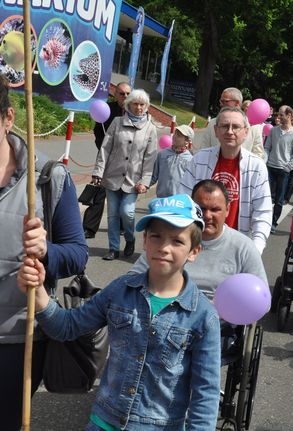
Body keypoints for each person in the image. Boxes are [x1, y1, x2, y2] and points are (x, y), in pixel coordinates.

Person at [18, 193, 220, 430]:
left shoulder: (204, 316)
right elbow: (67, 328)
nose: (164, 247)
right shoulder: (120, 290)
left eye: (177, 241)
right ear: (145, 240)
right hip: (103, 421)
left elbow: (205, 394)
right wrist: (38, 290)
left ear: (193, 251)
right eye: (156, 237)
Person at [0, 75, 87, 431]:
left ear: (8, 118)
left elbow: (78, 254)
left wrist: (46, 251)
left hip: (17, 340)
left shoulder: (48, 178)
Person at [130, 180, 267, 298]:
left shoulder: (244, 247)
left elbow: (261, 296)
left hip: (222, 319)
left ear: (227, 209)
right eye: (201, 209)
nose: (207, 216)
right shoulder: (171, 239)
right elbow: (133, 277)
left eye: (215, 209)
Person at [180, 106, 272, 254]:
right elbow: (183, 200)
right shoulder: (199, 159)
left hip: (238, 247)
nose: (230, 131)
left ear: (246, 132)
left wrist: (255, 250)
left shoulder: (257, 167)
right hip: (199, 244)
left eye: (236, 127)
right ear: (216, 131)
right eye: (224, 126)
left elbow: (263, 213)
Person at [92, 89, 157, 261]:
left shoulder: (150, 129)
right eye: (135, 104)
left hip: (133, 180)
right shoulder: (117, 122)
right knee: (113, 214)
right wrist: (98, 171)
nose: (139, 108)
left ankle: (130, 238)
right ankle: (113, 248)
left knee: (127, 212)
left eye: (142, 104)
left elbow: (150, 158)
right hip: (112, 176)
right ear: (128, 105)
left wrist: (145, 181)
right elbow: (105, 148)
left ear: (147, 106)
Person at [84, 81, 132, 239]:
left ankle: (122, 226)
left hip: (126, 160)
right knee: (98, 192)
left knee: (122, 193)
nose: (125, 96)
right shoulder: (107, 109)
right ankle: (89, 228)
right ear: (115, 94)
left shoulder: (135, 111)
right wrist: (103, 149)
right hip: (106, 157)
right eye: (122, 93)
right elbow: (98, 132)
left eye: (127, 93)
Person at [194, 88, 265, 159]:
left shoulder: (254, 127)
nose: (220, 104)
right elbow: (203, 149)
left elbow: (258, 154)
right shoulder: (213, 123)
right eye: (220, 101)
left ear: (237, 103)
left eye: (225, 101)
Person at [265, 105, 293, 232]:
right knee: (266, 196)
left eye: (281, 115)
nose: (278, 117)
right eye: (278, 115)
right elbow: (267, 147)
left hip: (283, 170)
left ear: (289, 116)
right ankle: (264, 220)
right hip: (270, 167)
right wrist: (265, 161)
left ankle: (273, 222)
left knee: (279, 199)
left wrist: (288, 167)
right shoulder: (274, 130)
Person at [151, 125, 194, 198]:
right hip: (161, 198)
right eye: (175, 134)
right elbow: (153, 176)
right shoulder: (162, 154)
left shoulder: (190, 160)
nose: (175, 137)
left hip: (179, 201)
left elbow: (191, 183)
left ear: (187, 141)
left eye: (179, 136)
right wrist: (144, 185)